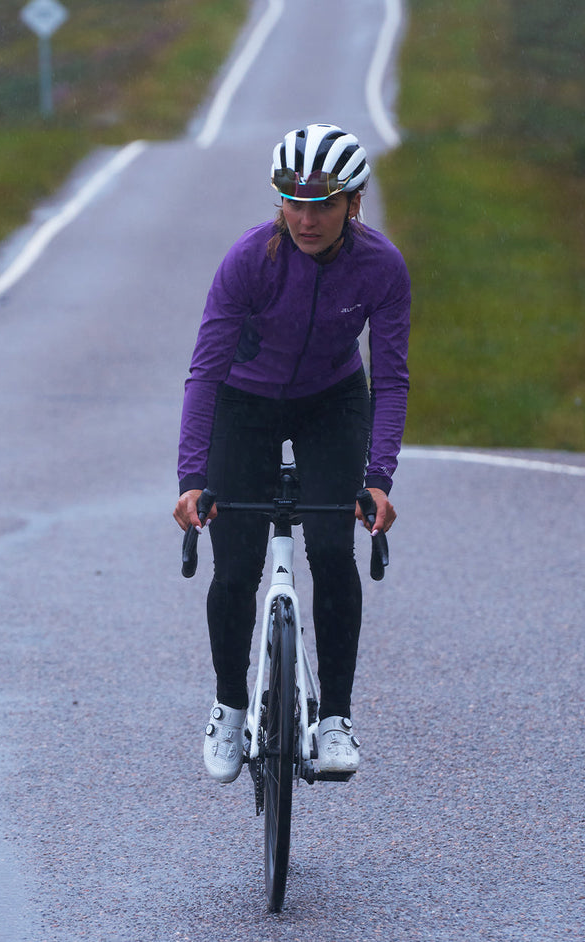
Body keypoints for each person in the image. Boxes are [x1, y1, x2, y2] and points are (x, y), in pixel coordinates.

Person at [173, 123, 411, 783]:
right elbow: (205, 374)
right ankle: (228, 706)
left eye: (324, 204)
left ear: (353, 205)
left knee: (332, 549)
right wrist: (193, 479)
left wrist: (378, 478)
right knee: (236, 564)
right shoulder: (249, 261)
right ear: (279, 201)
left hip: (332, 402)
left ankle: (334, 718)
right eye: (294, 202)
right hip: (243, 405)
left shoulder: (381, 267)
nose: (307, 219)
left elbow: (389, 378)